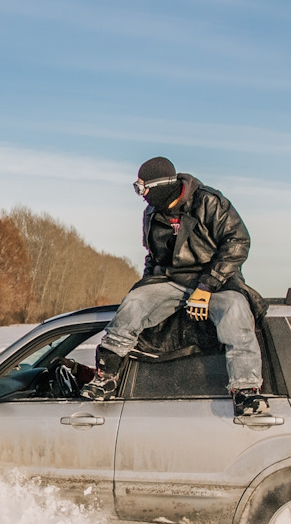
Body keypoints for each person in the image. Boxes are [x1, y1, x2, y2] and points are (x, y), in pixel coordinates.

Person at [84, 157, 269, 419]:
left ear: (160, 187)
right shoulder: (151, 213)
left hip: (216, 281)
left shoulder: (209, 202)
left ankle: (246, 391)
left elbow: (238, 242)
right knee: (134, 303)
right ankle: (106, 376)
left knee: (236, 310)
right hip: (171, 281)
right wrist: (146, 284)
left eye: (143, 189)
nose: (142, 196)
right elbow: (153, 257)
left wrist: (207, 286)